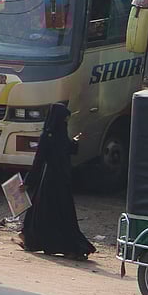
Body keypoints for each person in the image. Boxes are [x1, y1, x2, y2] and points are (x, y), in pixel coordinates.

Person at [19, 103, 96, 260]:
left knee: (40, 213)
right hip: (63, 182)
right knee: (63, 214)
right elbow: (69, 150)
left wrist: (28, 181)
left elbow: (39, 161)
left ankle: (31, 239)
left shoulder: (48, 136)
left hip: (48, 181)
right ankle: (70, 247)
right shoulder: (61, 135)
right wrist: (75, 141)